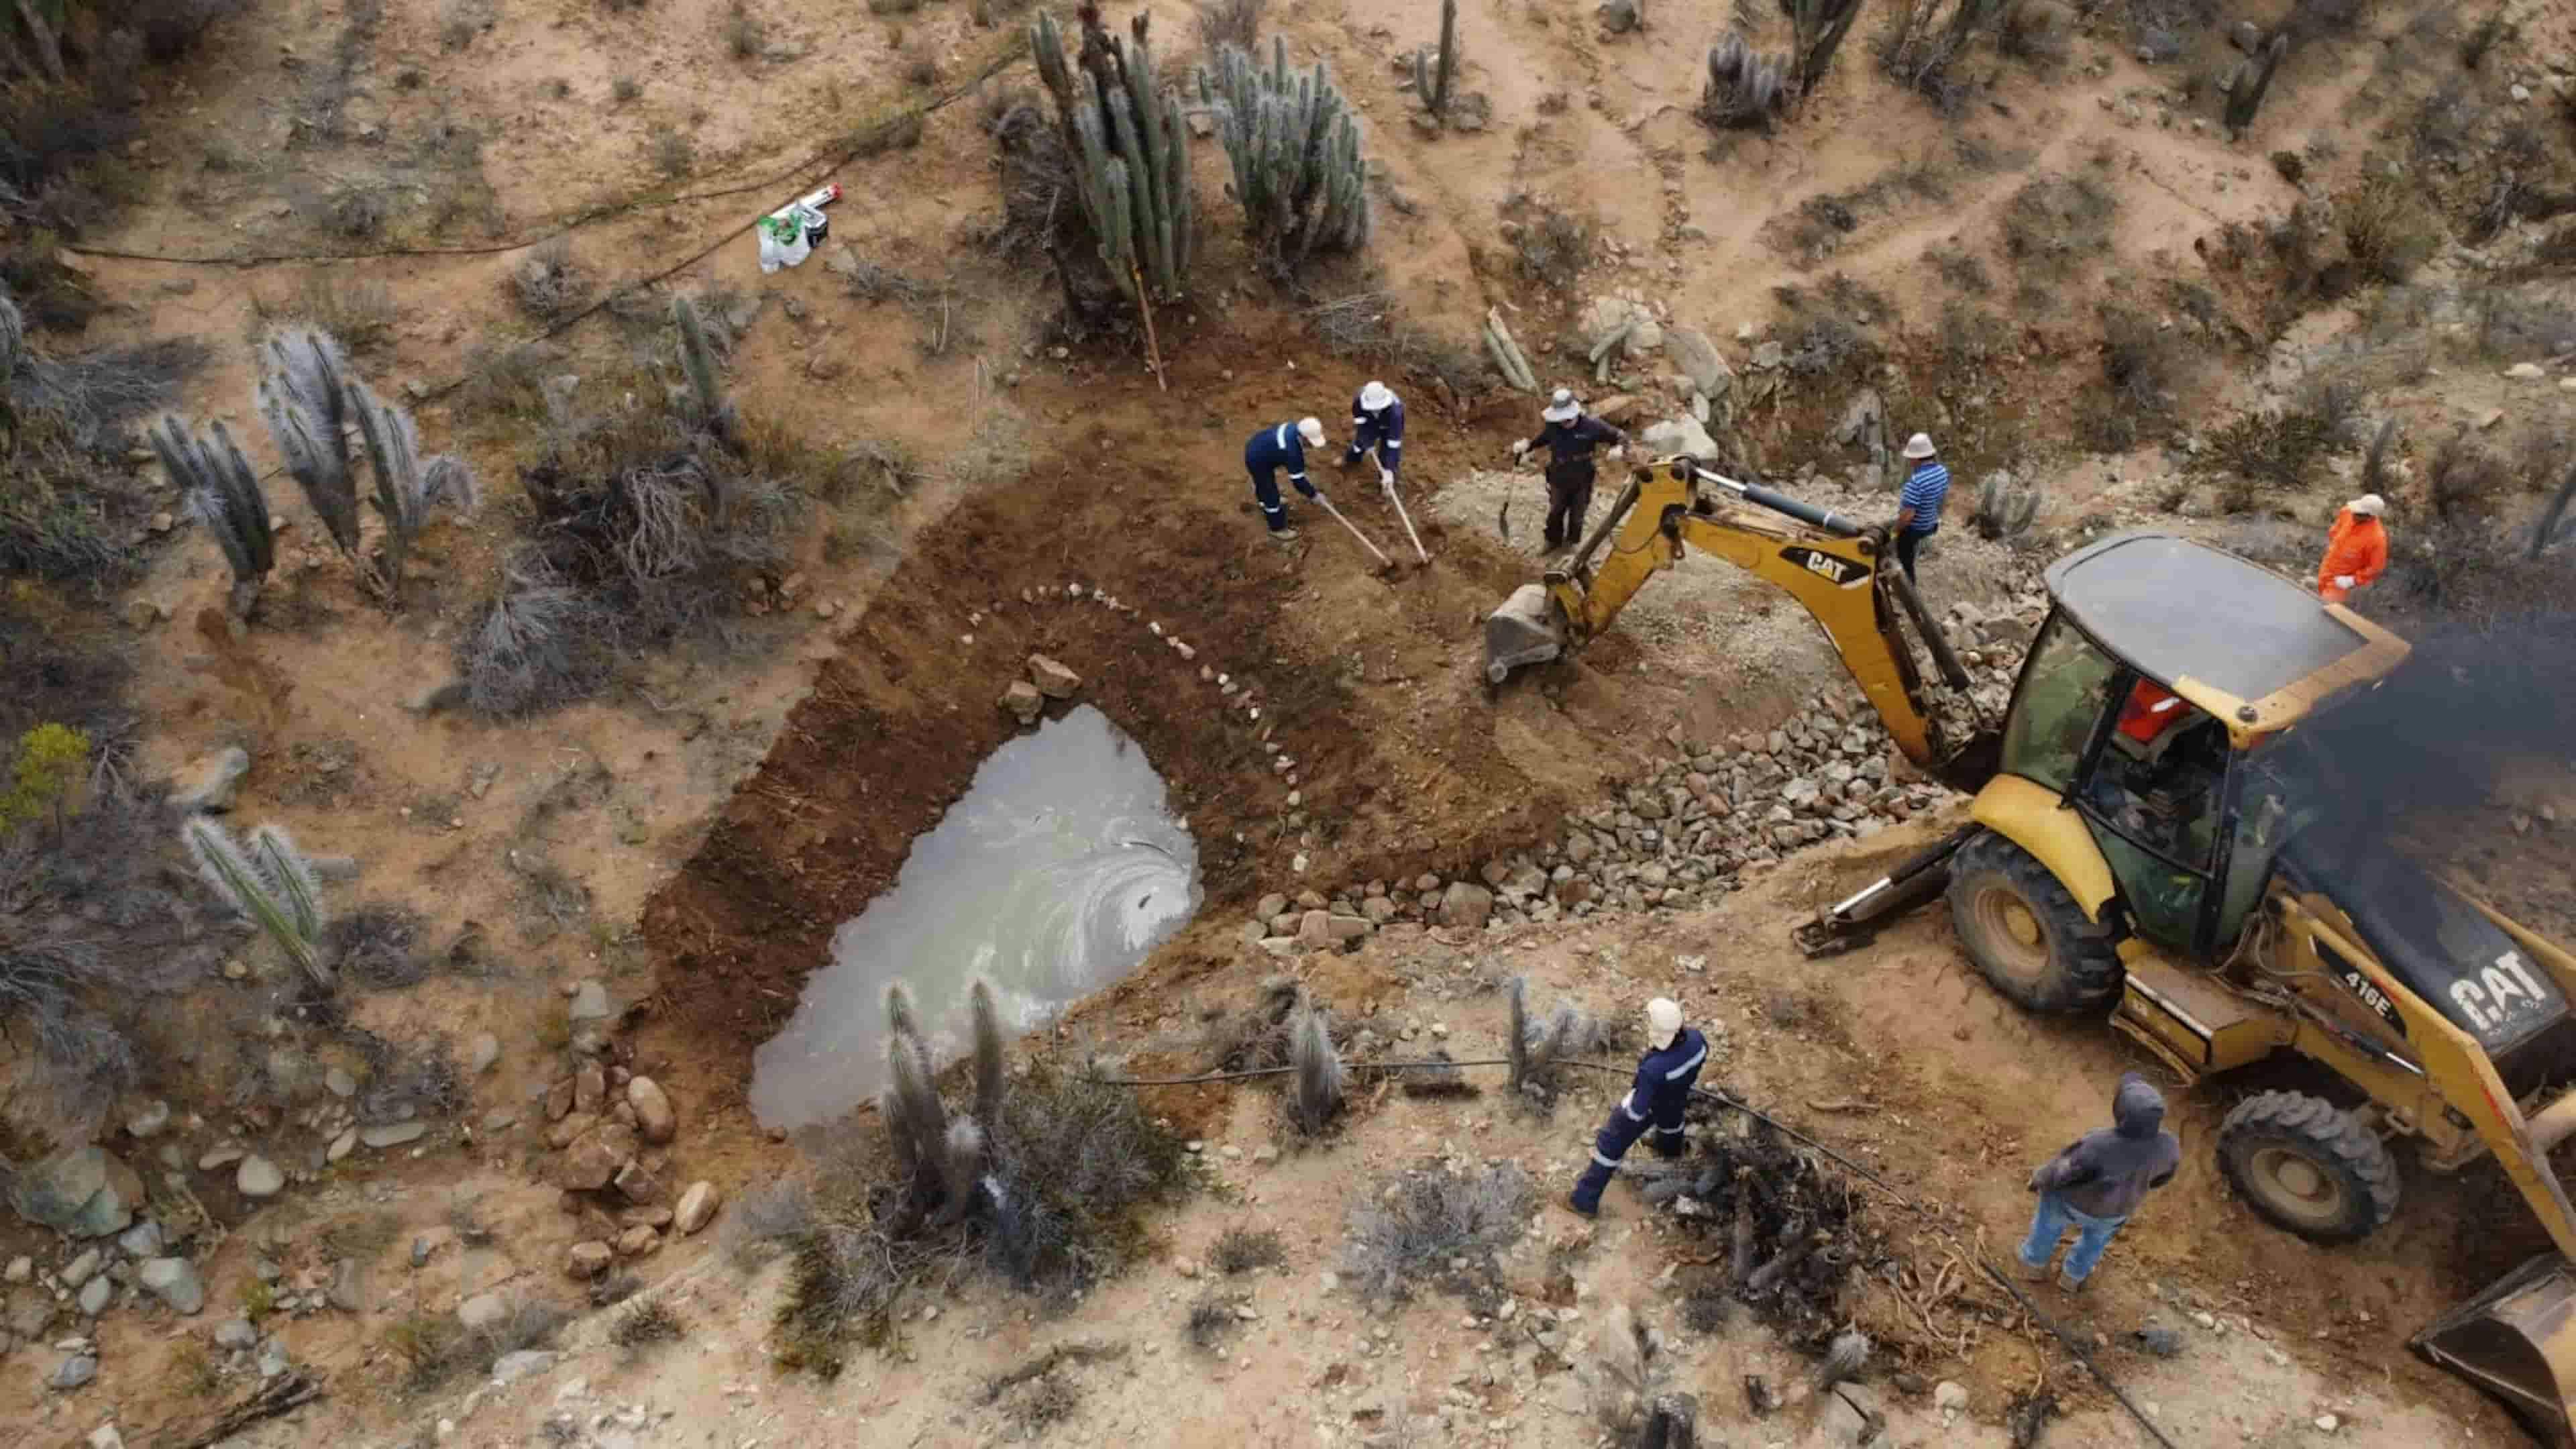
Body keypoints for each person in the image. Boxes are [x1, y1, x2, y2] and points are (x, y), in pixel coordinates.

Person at [2017, 1072, 2182, 1292]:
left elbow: (2063, 1171)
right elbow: (2162, 1179)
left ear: (2120, 1112)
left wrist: (2040, 1179)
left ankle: (2032, 1264)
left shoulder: (2098, 1144)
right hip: (2116, 1212)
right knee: (2094, 1244)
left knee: (2048, 1225)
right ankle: (2072, 1277)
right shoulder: (2169, 1147)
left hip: (2071, 1202)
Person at [1568, 998, 1707, 1217]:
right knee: (1672, 1124)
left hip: (1652, 1103)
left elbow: (1637, 1111)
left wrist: (1625, 1112)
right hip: (1676, 1098)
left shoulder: (1654, 1069)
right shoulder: (1698, 1041)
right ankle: (1670, 1151)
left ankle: (1583, 1202)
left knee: (1610, 1144)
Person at [1511, 388, 1629, 551]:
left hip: (1582, 478)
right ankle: (1552, 540)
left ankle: (1571, 544)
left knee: (1577, 516)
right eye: (1560, 419)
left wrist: (1619, 449)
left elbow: (1620, 437)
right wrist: (1526, 447)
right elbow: (1542, 440)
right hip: (1558, 475)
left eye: (1566, 419)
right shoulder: (1553, 427)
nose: (1563, 423)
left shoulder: (1592, 426)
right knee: (1555, 511)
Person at [1244, 417, 1328, 541]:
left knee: (1264, 483)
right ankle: (1277, 529)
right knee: (1271, 495)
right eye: (1310, 442)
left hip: (1259, 446)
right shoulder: (1292, 451)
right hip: (1258, 460)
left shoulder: (1293, 428)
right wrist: (1313, 495)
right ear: (1304, 437)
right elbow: (1298, 481)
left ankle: (1263, 500)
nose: (1311, 446)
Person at [1891, 433, 1951, 582]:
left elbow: (1908, 516)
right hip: (1932, 523)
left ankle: (1909, 584)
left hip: (1917, 528)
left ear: (1917, 458)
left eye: (1911, 456)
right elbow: (1941, 498)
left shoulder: (1915, 483)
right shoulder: (1942, 472)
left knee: (1903, 549)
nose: (1909, 460)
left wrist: (1894, 532)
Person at [2316, 492, 2389, 604]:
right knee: (2316, 600)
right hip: (2326, 569)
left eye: (2359, 514)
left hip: (2341, 583)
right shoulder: (2347, 512)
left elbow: (2376, 567)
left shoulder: (2377, 539)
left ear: (2370, 517)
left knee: (2326, 608)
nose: (2354, 514)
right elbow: (2334, 532)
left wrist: (2352, 580)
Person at [1342, 380, 1405, 488]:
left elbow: (1393, 444)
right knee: (1359, 445)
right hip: (1369, 423)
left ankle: (1387, 482)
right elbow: (1361, 425)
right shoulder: (1359, 401)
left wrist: (1389, 470)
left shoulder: (1396, 412)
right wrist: (1367, 443)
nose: (1376, 410)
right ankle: (1351, 460)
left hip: (1388, 426)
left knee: (1386, 455)